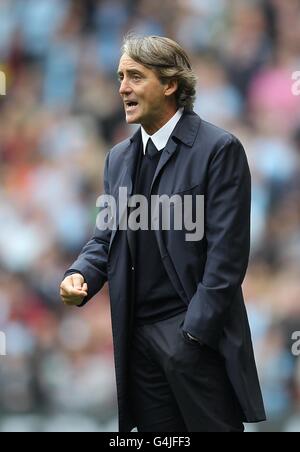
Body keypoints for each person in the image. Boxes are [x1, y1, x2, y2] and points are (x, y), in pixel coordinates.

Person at [60, 35, 266, 432]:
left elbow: (227, 258)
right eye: (120, 77)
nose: (122, 87)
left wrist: (193, 335)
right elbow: (107, 238)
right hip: (137, 342)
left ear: (170, 84)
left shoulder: (219, 149)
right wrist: (81, 273)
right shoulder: (117, 158)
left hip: (192, 339)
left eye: (135, 76)